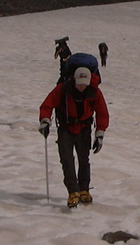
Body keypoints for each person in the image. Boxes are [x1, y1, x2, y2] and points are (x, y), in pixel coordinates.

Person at [39, 66, 109, 208]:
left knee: (84, 160)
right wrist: (45, 121)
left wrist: (99, 134)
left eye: (85, 84)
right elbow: (47, 105)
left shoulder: (94, 91)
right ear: (74, 80)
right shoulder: (63, 89)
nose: (82, 87)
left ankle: (84, 190)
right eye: (79, 84)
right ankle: (73, 191)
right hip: (66, 128)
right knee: (67, 160)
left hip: (83, 129)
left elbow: (102, 113)